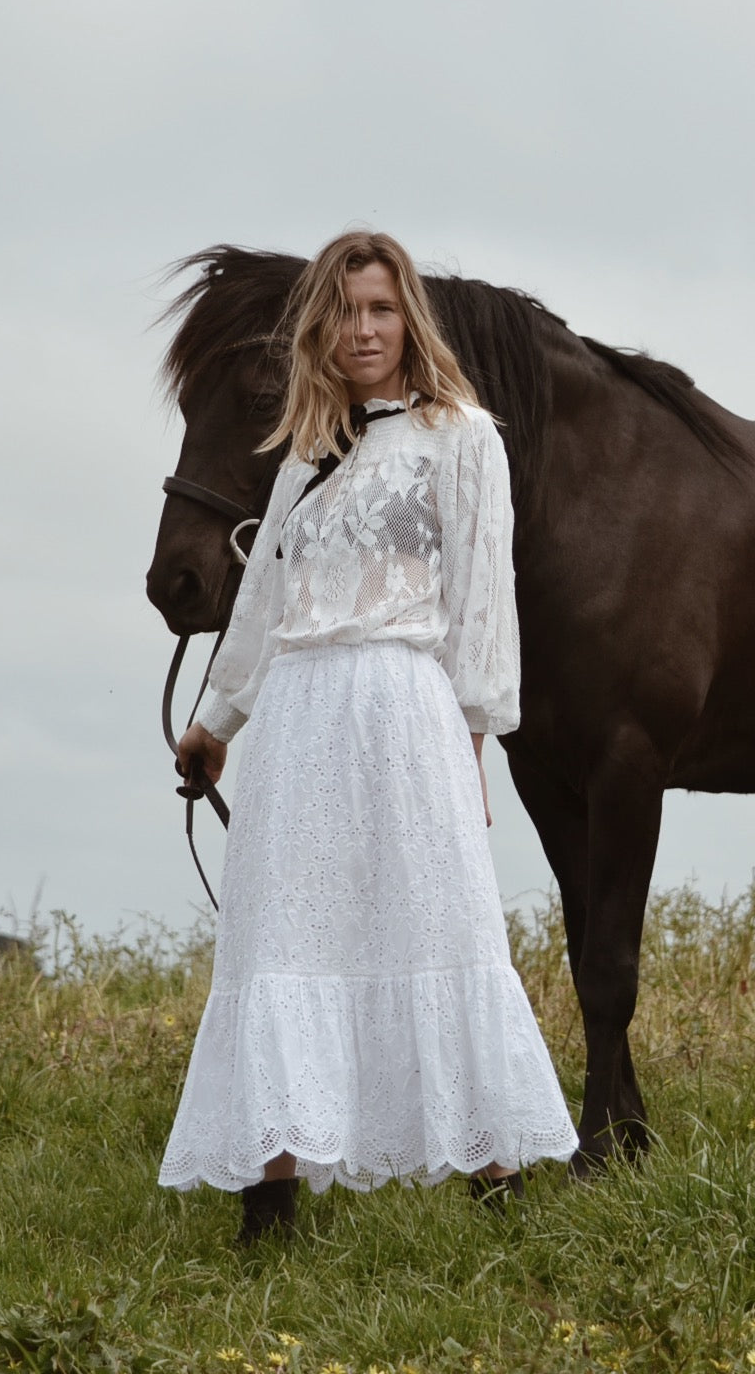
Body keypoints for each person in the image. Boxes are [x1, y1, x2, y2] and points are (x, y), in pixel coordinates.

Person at [159, 230, 578, 1239]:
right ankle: (271, 1199)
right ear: (319, 325)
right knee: (280, 941)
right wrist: (214, 723)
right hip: (299, 717)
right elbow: (261, 600)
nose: (363, 329)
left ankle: (497, 1183)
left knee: (446, 931)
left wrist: (472, 743)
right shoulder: (303, 451)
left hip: (404, 708)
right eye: (345, 310)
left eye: (381, 308)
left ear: (409, 319)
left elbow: (486, 602)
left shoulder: (462, 435)